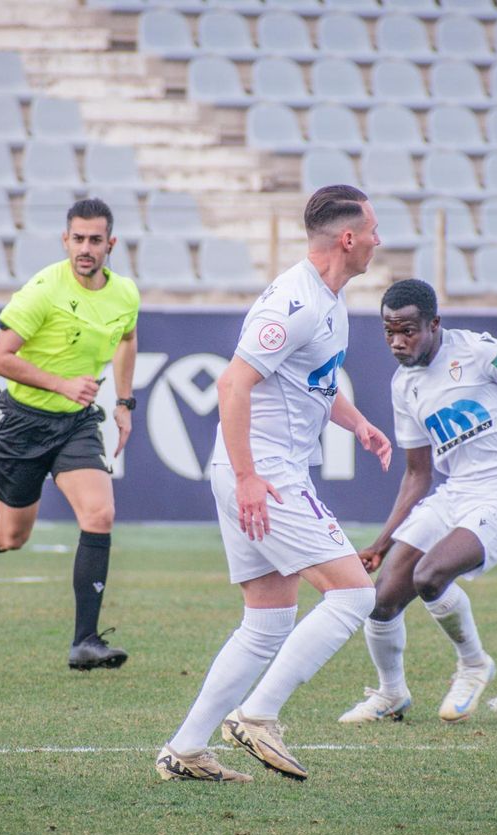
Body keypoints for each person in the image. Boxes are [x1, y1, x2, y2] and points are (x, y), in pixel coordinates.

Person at [155, 185, 391, 784]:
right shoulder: (296, 302)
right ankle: (258, 715)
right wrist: (249, 477)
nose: (377, 241)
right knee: (355, 594)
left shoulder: (329, 299)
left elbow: (314, 380)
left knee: (266, 621)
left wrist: (357, 422)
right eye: (372, 230)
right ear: (347, 238)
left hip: (258, 472)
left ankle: (184, 750)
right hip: (265, 474)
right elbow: (232, 385)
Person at [337, 279, 497, 726]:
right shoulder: (402, 385)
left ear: (434, 324)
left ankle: (473, 664)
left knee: (430, 576)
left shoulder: (483, 353)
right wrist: (381, 544)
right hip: (457, 491)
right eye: (389, 332)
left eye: (408, 330)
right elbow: (417, 475)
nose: (398, 342)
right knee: (382, 599)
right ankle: (391, 695)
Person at [0, 197, 141, 670]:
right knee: (12, 536)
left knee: (100, 512)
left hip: (76, 422)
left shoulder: (125, 294)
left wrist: (124, 404)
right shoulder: (43, 291)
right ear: (65, 240)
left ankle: (85, 642)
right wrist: (64, 384)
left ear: (111, 243)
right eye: (78, 239)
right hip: (22, 423)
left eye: (95, 240)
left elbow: (127, 338)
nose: (85, 248)